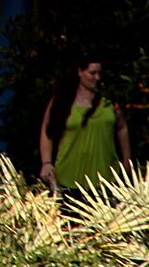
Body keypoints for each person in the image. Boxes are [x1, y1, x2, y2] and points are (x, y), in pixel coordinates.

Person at [37, 54, 132, 194]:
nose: (97, 78)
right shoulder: (62, 102)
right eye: (92, 73)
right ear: (80, 72)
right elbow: (47, 130)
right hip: (69, 180)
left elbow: (122, 127)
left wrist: (126, 160)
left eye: (100, 73)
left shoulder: (109, 102)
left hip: (106, 181)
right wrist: (46, 163)